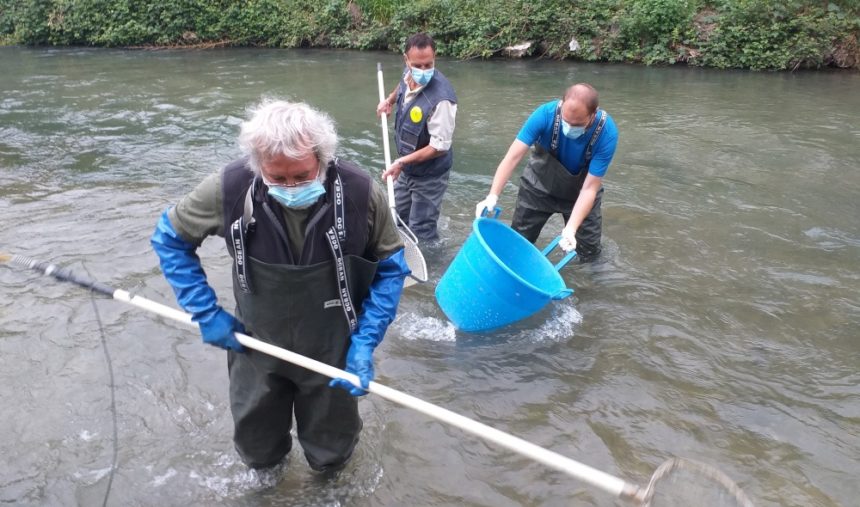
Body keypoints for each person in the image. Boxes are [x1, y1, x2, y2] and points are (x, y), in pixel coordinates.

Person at [150, 99, 410, 472]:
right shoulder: (229, 187)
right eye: (278, 178)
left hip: (333, 349)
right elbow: (170, 239)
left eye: (303, 176)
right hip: (255, 344)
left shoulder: (362, 194)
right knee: (258, 453)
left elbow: (390, 270)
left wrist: (366, 340)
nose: (291, 187)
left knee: (332, 454)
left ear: (322, 159)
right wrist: (206, 311)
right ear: (257, 166)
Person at [475, 83, 618, 261]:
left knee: (589, 255)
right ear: (561, 105)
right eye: (566, 122)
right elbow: (512, 157)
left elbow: (590, 188)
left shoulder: (607, 132)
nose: (570, 128)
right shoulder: (545, 115)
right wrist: (492, 195)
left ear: (593, 114)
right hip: (537, 188)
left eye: (578, 124)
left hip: (580, 195)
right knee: (518, 244)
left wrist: (571, 229)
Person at [377, 32, 458, 242]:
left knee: (421, 229)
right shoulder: (408, 73)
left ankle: (430, 268)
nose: (423, 71)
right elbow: (402, 85)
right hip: (407, 168)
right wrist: (389, 100)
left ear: (435, 58)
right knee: (394, 216)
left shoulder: (443, 100)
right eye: (417, 66)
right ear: (407, 60)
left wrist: (401, 162)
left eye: (428, 65)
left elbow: (438, 147)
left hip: (430, 175)